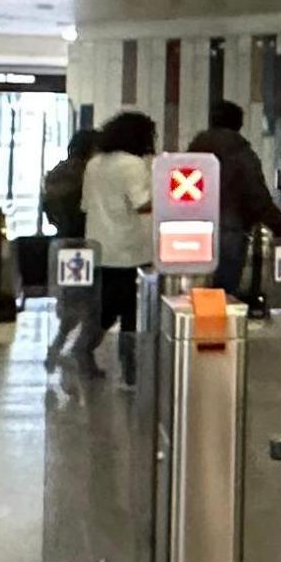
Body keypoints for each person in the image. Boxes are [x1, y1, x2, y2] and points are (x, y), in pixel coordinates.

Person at [76, 109, 156, 379]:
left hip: (100, 248)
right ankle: (130, 368)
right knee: (132, 313)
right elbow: (142, 204)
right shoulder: (132, 165)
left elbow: (86, 205)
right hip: (129, 249)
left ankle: (85, 347)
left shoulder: (94, 164)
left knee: (105, 306)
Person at [188, 100, 281, 312]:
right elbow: (257, 197)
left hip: (193, 230)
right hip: (228, 230)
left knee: (196, 294)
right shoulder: (241, 154)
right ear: (238, 124)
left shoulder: (193, 152)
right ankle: (215, 335)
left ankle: (199, 334)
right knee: (222, 294)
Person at [39, 122, 100, 365]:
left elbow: (48, 210)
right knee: (92, 304)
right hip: (84, 245)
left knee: (72, 301)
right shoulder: (87, 176)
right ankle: (79, 354)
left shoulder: (55, 173)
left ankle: (59, 350)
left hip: (62, 242)